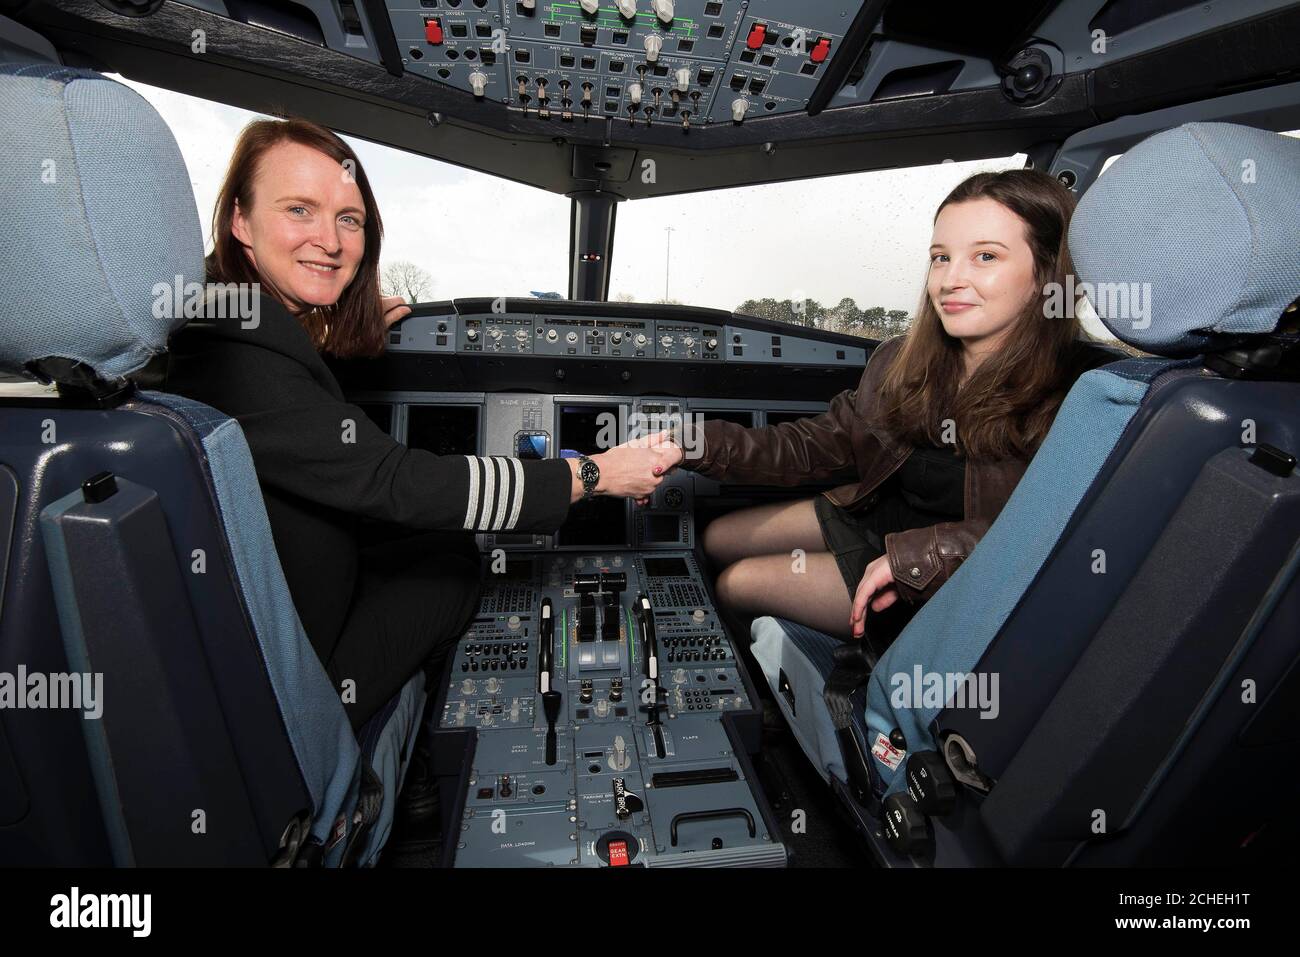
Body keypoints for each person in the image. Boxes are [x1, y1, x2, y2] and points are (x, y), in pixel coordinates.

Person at [166, 118, 674, 729]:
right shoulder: (234, 349)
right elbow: (397, 484)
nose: (329, 240)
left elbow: (293, 411)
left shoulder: (219, 317)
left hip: (270, 618)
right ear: (240, 221)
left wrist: (336, 328)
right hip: (291, 680)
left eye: (348, 219)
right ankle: (375, 765)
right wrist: (593, 473)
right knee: (455, 560)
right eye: (299, 210)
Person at [659, 169, 1118, 650]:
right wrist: (691, 441)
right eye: (941, 258)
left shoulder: (1088, 391)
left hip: (952, 573)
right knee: (714, 538)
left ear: (1049, 271)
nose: (950, 280)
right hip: (879, 521)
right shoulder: (901, 359)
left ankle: (785, 713)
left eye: (985, 256)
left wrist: (918, 559)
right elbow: (814, 446)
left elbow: (1061, 532)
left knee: (738, 583)